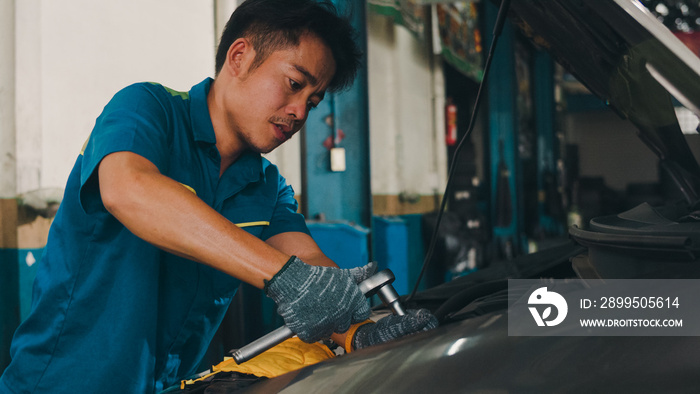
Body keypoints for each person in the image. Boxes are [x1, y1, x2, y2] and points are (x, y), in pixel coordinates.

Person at [0, 0, 437, 393]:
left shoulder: (266, 187)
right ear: (240, 57)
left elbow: (311, 270)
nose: (300, 111)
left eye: (314, 100)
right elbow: (128, 190)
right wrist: (285, 279)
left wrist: (357, 332)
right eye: (292, 83)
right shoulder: (147, 110)